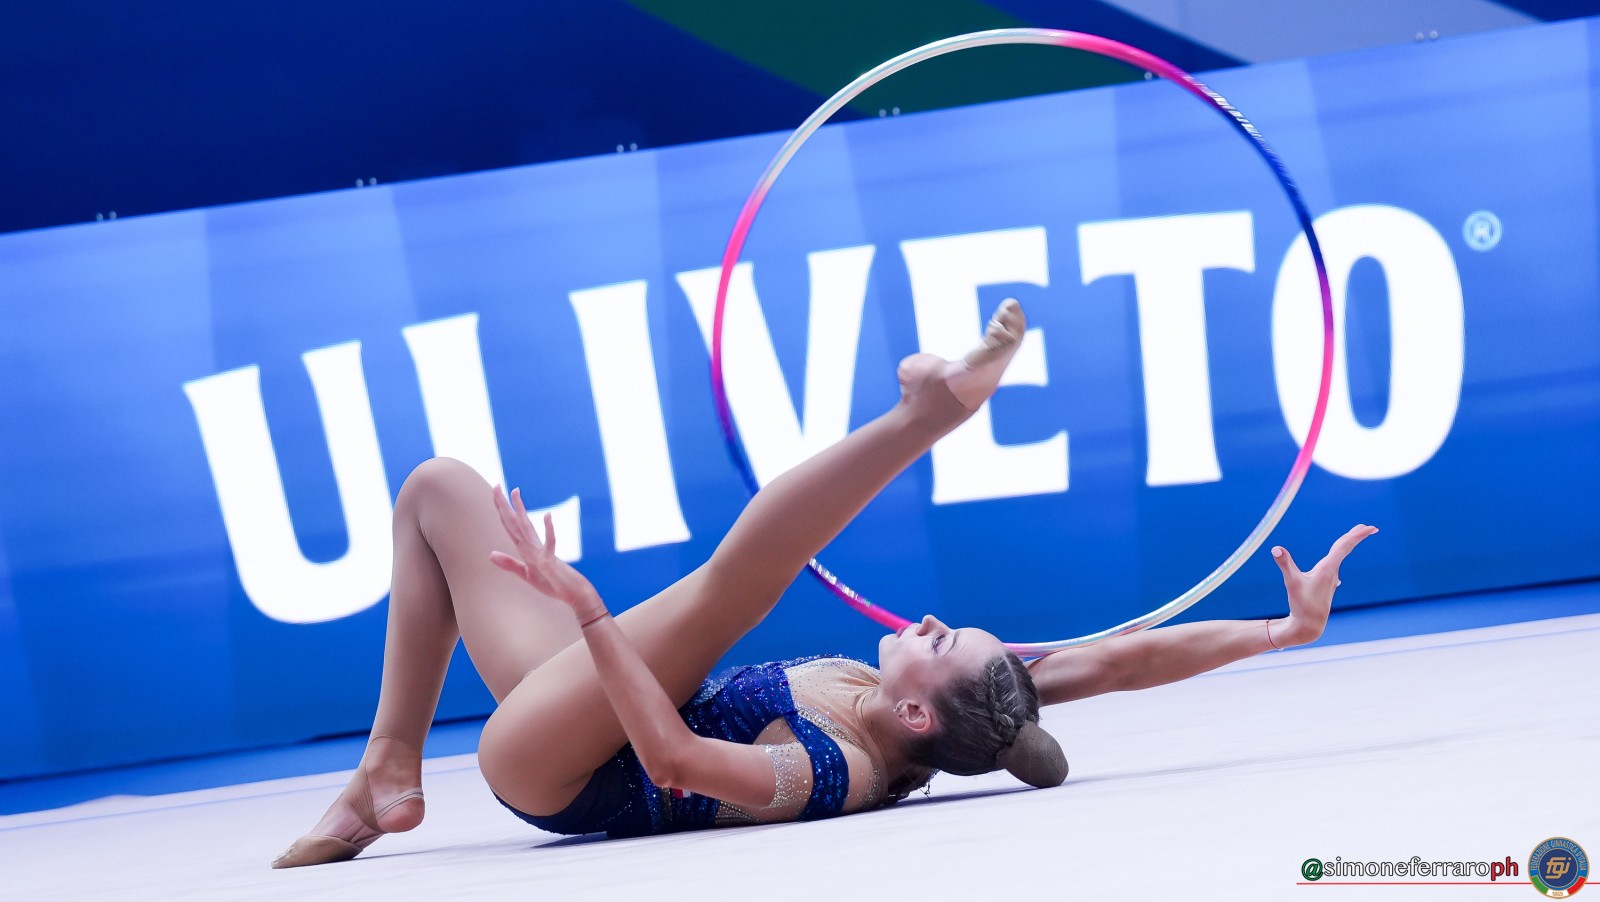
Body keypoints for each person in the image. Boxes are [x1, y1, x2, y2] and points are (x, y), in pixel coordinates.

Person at [272, 300, 1377, 867]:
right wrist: (1278, 631)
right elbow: (1119, 661)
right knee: (437, 489)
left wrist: (589, 607)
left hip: (560, 770)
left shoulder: (833, 768)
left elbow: (672, 760)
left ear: (916, 711)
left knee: (731, 588)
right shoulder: (973, 706)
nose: (931, 620)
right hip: (604, 699)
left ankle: (924, 417)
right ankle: (386, 772)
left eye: (939, 641)